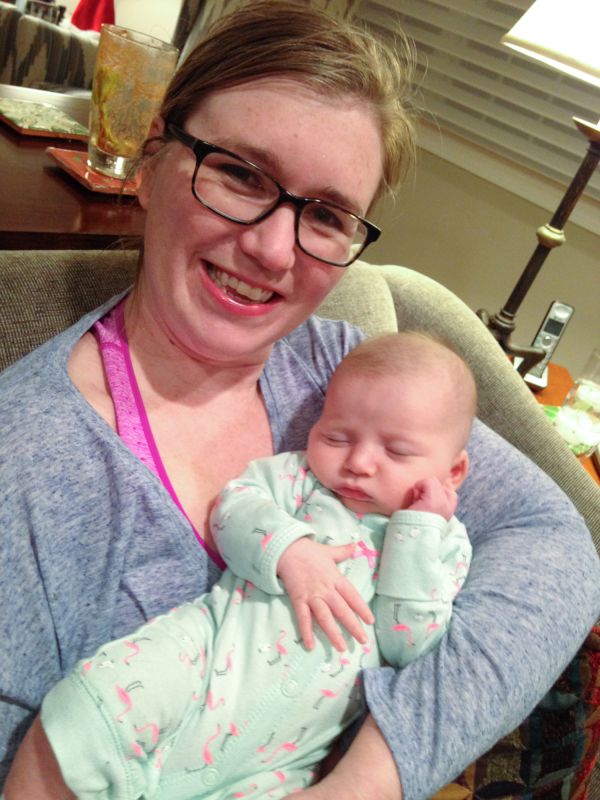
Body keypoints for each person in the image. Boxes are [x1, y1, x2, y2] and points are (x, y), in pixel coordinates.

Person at [0, 3, 599, 799]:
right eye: (240, 173)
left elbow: (554, 543)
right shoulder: (29, 466)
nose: (273, 248)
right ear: (152, 158)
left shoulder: (346, 374)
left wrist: (364, 782)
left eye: (324, 214)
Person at [6, 332, 475, 799]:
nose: (359, 462)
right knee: (91, 707)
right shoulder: (300, 479)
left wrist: (417, 532)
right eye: (336, 436)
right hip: (200, 665)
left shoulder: (445, 543)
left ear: (452, 472)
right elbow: (232, 508)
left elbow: (409, 645)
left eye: (396, 452)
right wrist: (290, 550)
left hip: (279, 760)